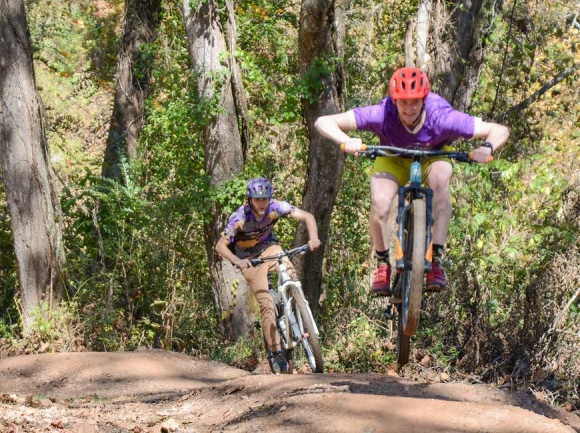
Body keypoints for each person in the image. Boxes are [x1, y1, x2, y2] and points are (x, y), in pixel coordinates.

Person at [314, 66, 509, 295]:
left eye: (415, 102)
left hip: (432, 156)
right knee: (381, 201)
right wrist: (347, 139)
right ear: (394, 100)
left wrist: (487, 146)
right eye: (403, 102)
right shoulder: (381, 113)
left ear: (424, 100)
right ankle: (383, 263)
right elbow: (323, 122)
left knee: (440, 182)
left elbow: (499, 130)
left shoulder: (442, 117)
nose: (409, 108)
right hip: (392, 157)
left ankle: (435, 259)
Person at [215, 177, 321, 373]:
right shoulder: (239, 219)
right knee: (266, 303)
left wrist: (313, 238)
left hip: (270, 248)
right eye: (257, 200)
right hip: (249, 259)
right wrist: (237, 261)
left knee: (291, 275)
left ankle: (294, 308)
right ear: (250, 200)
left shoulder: (277, 207)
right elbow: (220, 246)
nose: (261, 203)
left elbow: (308, 217)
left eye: (264, 199)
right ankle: (276, 352)